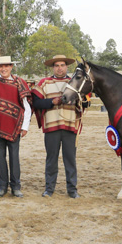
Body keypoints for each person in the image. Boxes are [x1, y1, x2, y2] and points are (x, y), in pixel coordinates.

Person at [31, 55, 82, 199]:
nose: (60, 68)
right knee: (51, 159)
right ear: (53, 67)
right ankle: (49, 188)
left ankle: (72, 190)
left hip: (70, 125)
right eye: (57, 65)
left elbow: (84, 101)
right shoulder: (44, 83)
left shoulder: (74, 82)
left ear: (67, 67)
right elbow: (36, 102)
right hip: (52, 126)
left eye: (62, 65)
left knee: (70, 159)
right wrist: (51, 102)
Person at [0, 56, 32, 198]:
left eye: (6, 66)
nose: (3, 68)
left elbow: (27, 107)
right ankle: (2, 187)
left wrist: (24, 127)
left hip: (14, 127)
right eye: (1, 66)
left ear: (11, 66)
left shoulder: (20, 83)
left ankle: (16, 187)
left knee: (14, 158)